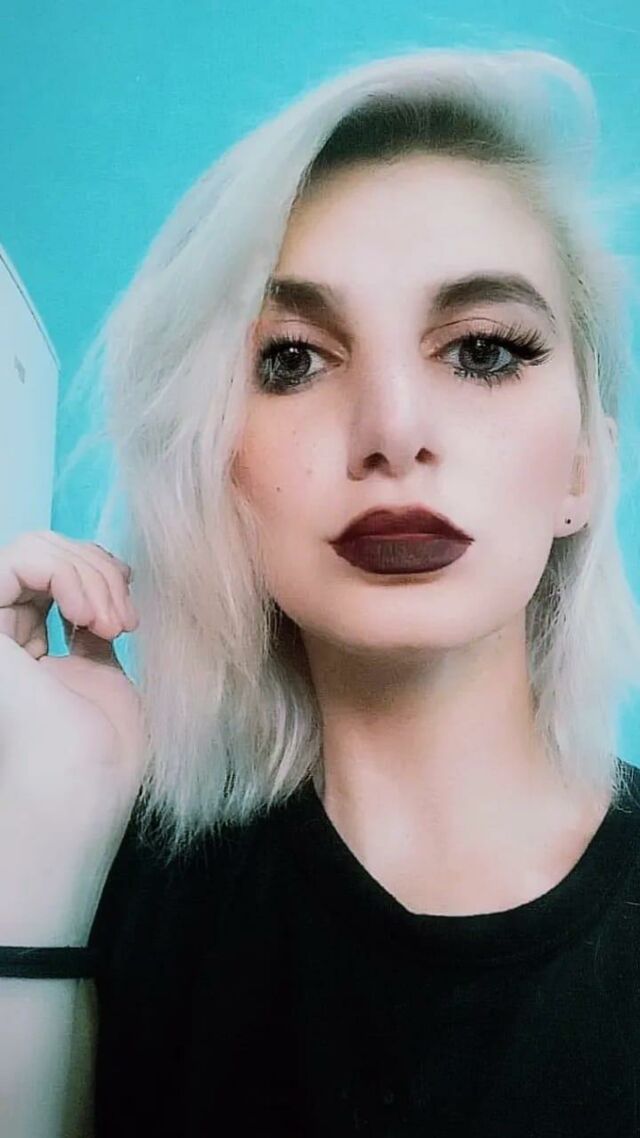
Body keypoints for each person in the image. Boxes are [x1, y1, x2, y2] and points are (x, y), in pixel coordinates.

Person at [1, 46, 640, 1138]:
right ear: (218, 462)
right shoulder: (117, 885)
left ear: (583, 467)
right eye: (293, 360)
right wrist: (39, 839)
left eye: (484, 351)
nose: (393, 431)